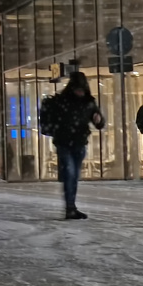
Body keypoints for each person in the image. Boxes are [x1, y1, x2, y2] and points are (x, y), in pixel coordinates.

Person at [38, 60, 106, 219]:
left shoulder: (89, 103)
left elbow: (99, 122)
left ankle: (71, 206)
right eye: (78, 89)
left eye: (82, 89)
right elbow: (52, 119)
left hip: (79, 142)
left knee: (74, 175)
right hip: (64, 142)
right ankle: (70, 207)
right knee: (70, 173)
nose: (81, 92)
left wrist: (99, 120)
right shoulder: (62, 102)